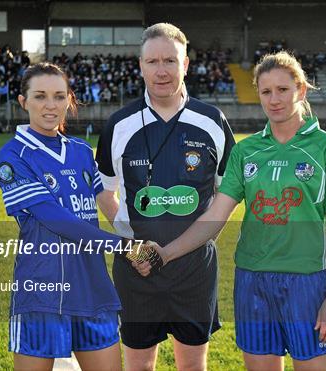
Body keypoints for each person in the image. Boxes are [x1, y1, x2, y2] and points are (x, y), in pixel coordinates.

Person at [136, 51, 326, 371]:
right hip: (252, 282)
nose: (274, 99)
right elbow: (214, 216)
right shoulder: (246, 151)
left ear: (300, 90)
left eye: (283, 90)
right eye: (266, 91)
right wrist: (165, 253)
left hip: (308, 284)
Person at [95, 23, 235, 371]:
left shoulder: (212, 121)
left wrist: (188, 245)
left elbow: (227, 197)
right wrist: (131, 243)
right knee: (139, 365)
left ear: (185, 65)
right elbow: (104, 191)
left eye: (170, 61)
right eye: (153, 61)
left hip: (194, 269)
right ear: (140, 65)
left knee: (192, 365)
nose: (162, 71)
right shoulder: (119, 124)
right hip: (136, 269)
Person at [0, 62, 126, 371]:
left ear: (69, 99)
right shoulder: (13, 155)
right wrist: (123, 247)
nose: (50, 105)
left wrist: (141, 239)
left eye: (59, 96)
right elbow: (55, 219)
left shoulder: (81, 151)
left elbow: (106, 199)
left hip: (92, 286)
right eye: (40, 96)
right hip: (43, 290)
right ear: (23, 101)